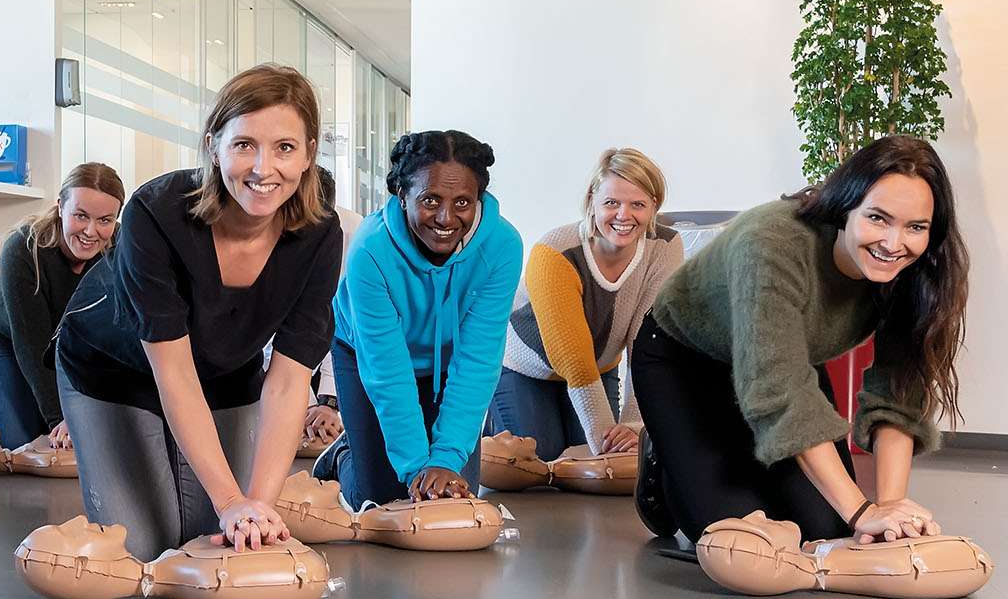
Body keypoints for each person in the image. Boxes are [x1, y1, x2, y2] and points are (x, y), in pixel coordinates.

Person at [55, 64, 343, 559]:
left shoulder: (319, 235)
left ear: (309, 153)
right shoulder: (155, 211)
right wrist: (229, 498)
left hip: (227, 376)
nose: (263, 167)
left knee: (218, 537)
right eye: (245, 144)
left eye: (285, 148)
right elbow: (175, 374)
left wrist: (255, 508)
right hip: (112, 372)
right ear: (214, 145)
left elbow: (289, 379)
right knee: (144, 547)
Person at [633, 135, 964, 545]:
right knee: (738, 535)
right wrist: (861, 509)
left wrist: (886, 512)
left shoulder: (911, 274)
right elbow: (782, 394)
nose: (894, 244)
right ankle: (667, 463)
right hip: (683, 360)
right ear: (846, 207)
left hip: (785, 360)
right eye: (878, 218)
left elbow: (897, 396)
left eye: (915, 227)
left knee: (828, 527)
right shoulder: (772, 244)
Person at [314, 130, 523, 508]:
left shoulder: (503, 246)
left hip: (447, 359)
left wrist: (445, 461)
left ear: (479, 200)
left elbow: (477, 360)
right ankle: (344, 457)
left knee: (456, 496)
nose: (446, 217)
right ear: (402, 195)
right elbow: (387, 373)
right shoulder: (370, 250)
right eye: (430, 200)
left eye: (462, 202)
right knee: (381, 498)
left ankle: (375, 451)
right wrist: (415, 471)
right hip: (366, 354)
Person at [489, 148, 683, 460]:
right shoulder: (554, 251)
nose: (624, 215)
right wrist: (606, 450)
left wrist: (635, 427)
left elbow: (647, 342)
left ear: (654, 206)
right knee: (545, 459)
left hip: (598, 367)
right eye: (612, 203)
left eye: (638, 204)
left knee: (589, 460)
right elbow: (573, 358)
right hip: (526, 368)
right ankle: (489, 438)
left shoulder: (666, 247)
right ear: (592, 200)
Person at [0, 162, 125, 450]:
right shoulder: (23, 248)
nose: (91, 231)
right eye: (80, 216)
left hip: (70, 346)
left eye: (105, 220)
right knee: (23, 445)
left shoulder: (121, 249)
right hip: (6, 341)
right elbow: (31, 345)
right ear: (60, 207)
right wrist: (59, 418)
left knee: (85, 440)